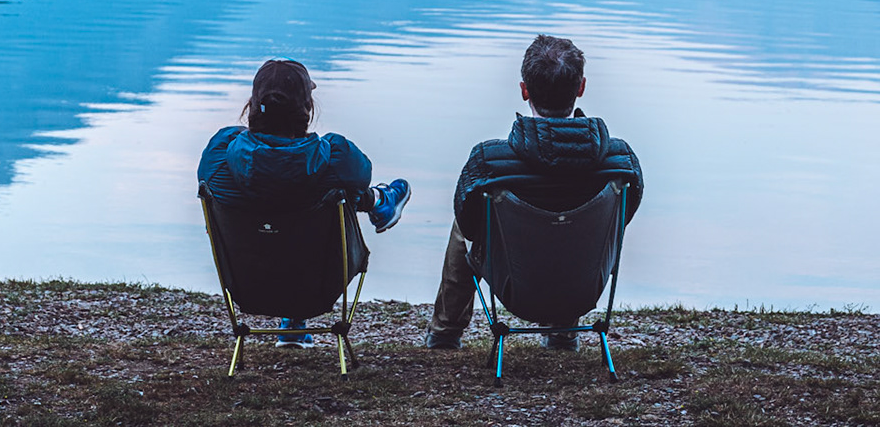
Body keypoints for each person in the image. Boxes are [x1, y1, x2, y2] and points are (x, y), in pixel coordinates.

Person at [426, 34, 643, 351]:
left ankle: (445, 332)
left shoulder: (487, 162)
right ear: (581, 88)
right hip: (583, 289)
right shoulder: (620, 161)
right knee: (593, 222)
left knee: (464, 226)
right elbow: (623, 219)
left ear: (524, 89)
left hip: (515, 290)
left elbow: (473, 228)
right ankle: (563, 333)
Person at [199, 57, 410, 347]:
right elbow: (360, 175)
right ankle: (379, 202)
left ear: (252, 105)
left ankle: (292, 321)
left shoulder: (219, 155)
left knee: (280, 203)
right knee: (339, 191)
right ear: (307, 108)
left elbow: (243, 164)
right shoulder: (335, 156)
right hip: (319, 287)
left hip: (248, 287)